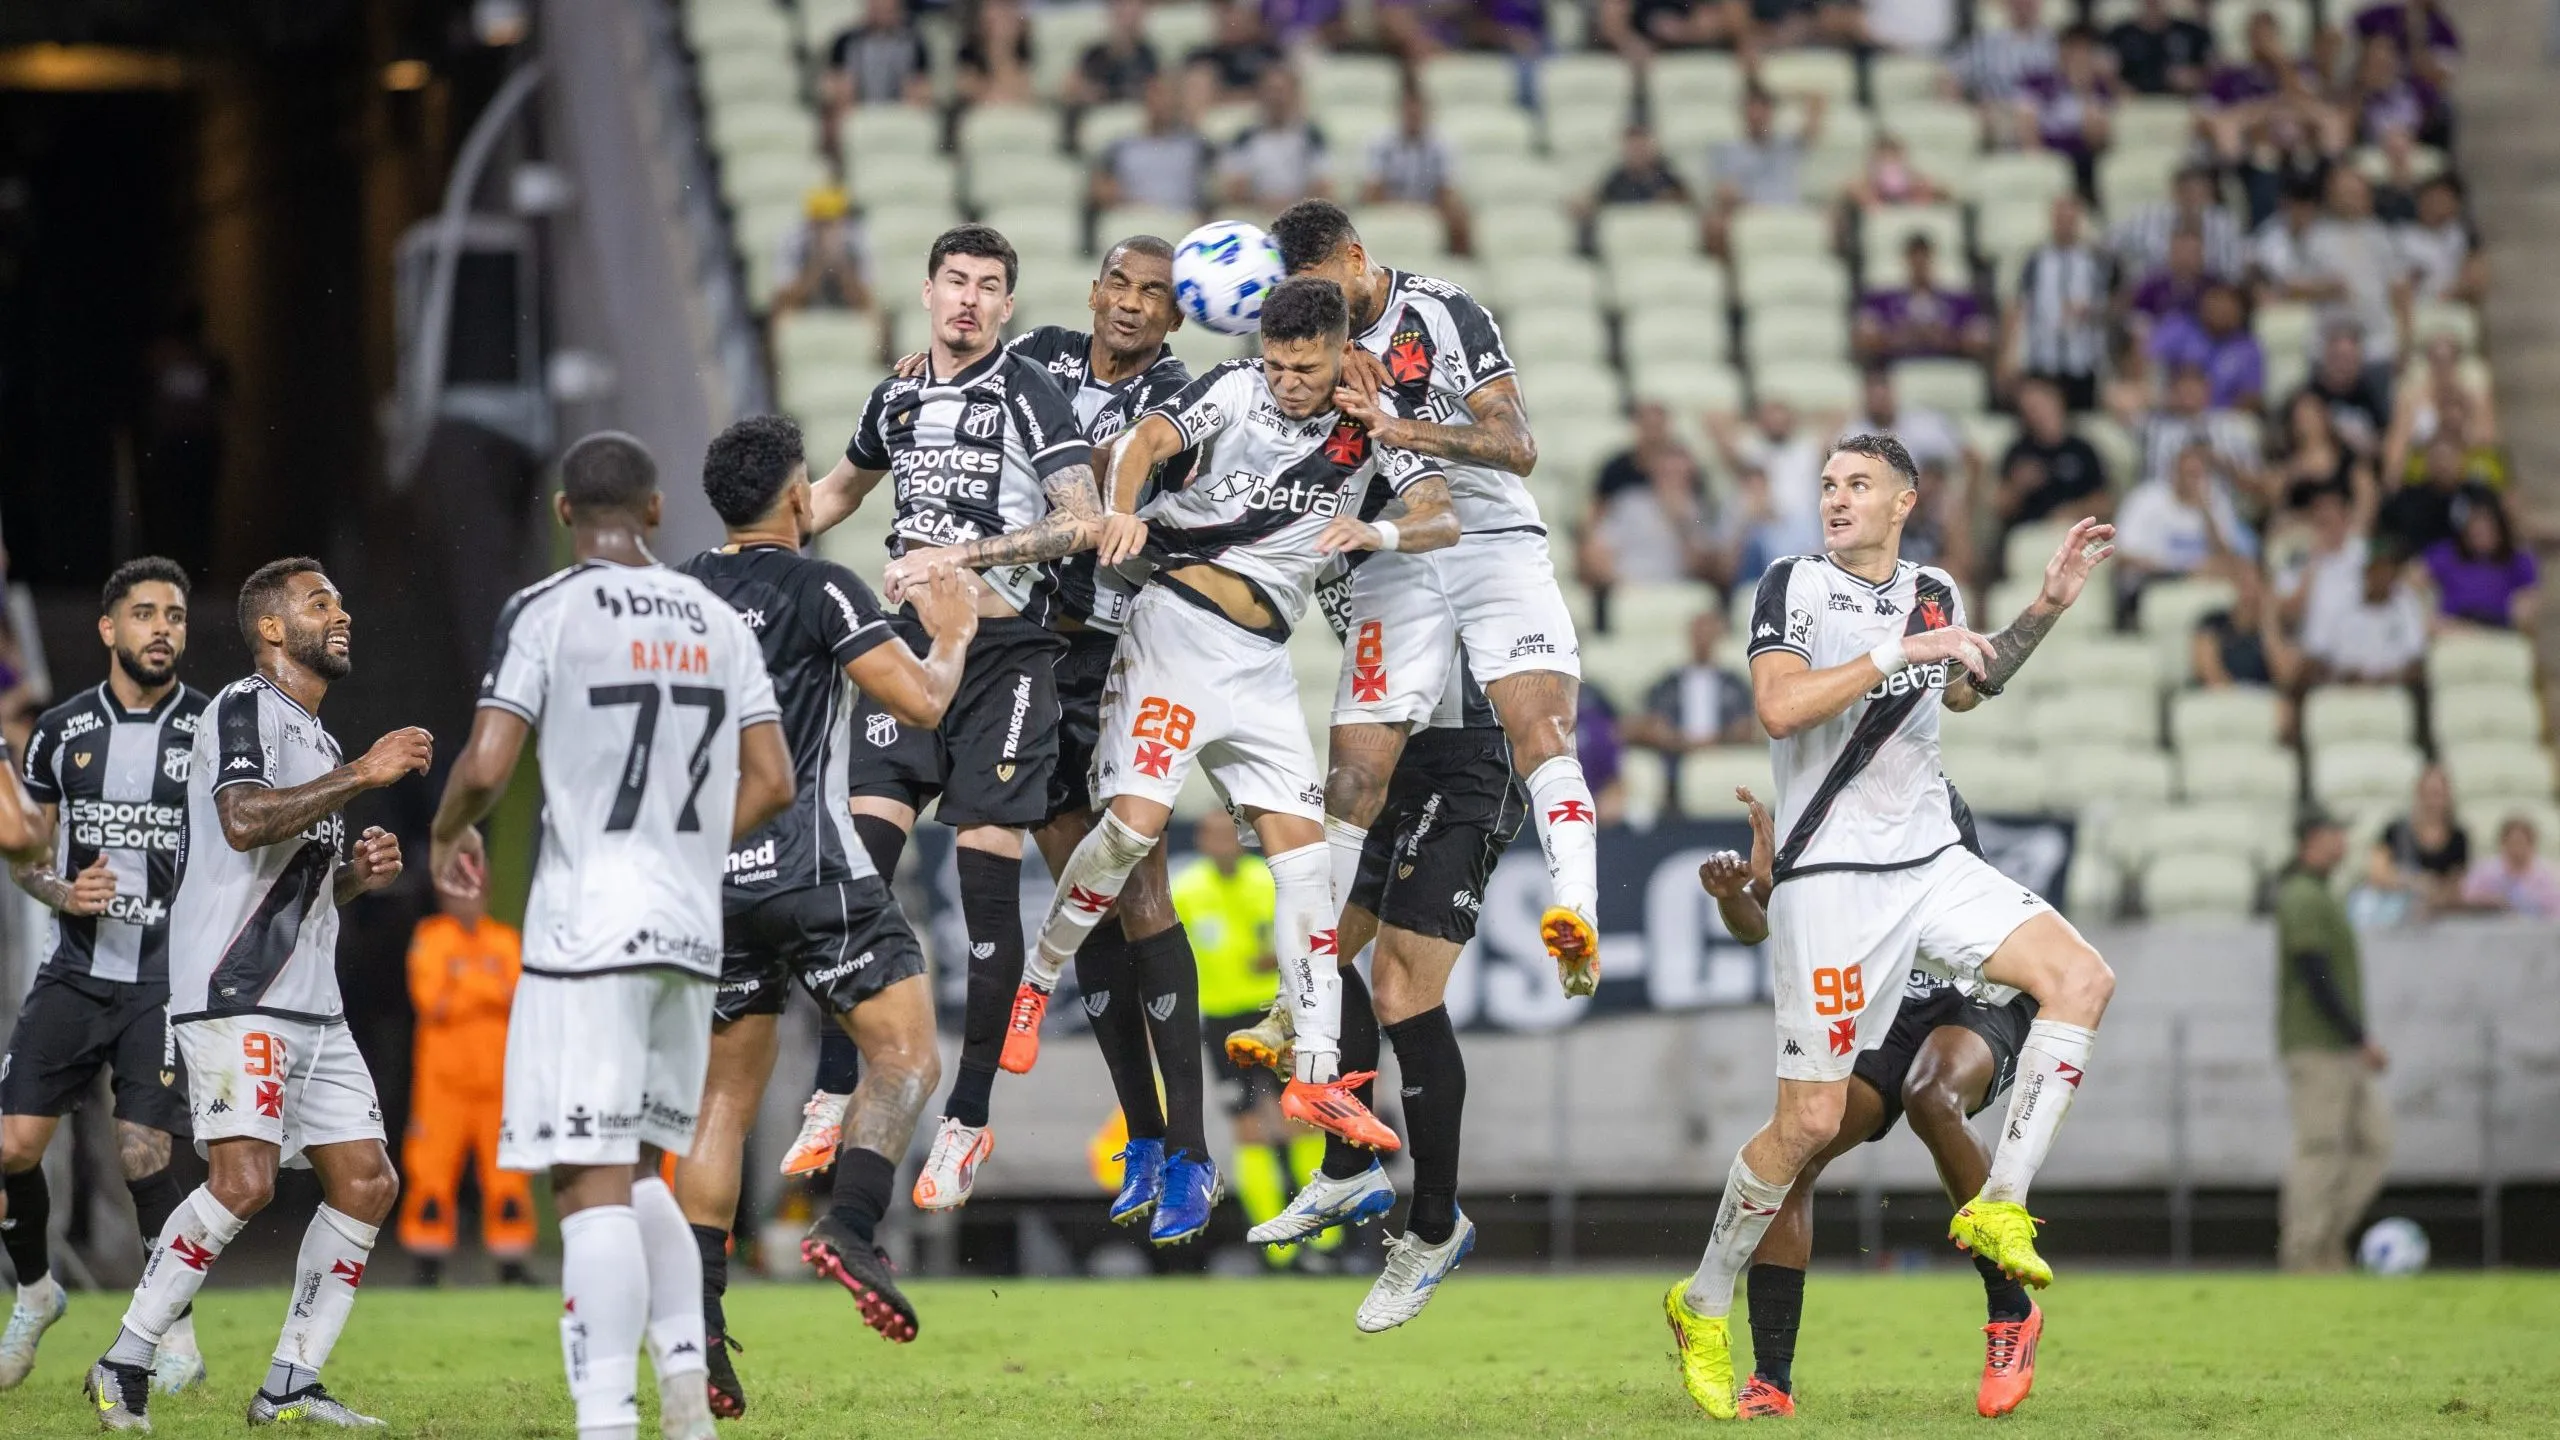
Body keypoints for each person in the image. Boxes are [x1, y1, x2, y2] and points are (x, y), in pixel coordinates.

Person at [1664, 434, 2118, 1419]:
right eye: (1827, 484)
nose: (1836, 498)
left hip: (1929, 863)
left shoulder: (1934, 589)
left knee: (2080, 978)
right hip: (1829, 882)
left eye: (1856, 485)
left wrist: (2041, 609)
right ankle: (1701, 1302)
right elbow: (1780, 709)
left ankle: (2000, 1209)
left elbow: (1969, 682)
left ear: (1903, 502)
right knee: (1809, 1128)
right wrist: (1896, 651)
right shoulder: (1793, 584)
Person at [962, 277, 1453, 1157]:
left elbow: (1439, 518)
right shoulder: (1234, 388)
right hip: (1176, 632)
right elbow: (1147, 438)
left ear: (1340, 350)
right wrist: (1118, 508)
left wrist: (1374, 536)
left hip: (1262, 665)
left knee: (1307, 865)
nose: (1287, 381)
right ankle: (1039, 978)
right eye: (1275, 362)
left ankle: (1315, 1078)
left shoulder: (1372, 417)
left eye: (1304, 366)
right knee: (1131, 830)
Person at [427, 433, 794, 1440]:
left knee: (585, 1181)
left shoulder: (546, 611)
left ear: (561, 515)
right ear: (658, 510)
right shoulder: (717, 620)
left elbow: (489, 762)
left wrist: (447, 829)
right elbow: (773, 783)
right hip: (686, 926)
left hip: (588, 929)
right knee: (639, 1171)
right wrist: (681, 854)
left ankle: (605, 1422)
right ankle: (685, 1398)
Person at [663, 416, 975, 1415]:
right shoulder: (818, 585)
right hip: (810, 867)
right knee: (908, 1058)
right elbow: (921, 702)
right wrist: (957, 625)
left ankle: (699, 1329)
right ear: (799, 498)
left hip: (708, 883)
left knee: (721, 1106)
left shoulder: (673, 597)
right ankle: (848, 1223)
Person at [84, 558, 431, 1430]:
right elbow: (243, 821)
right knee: (244, 1181)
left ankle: (289, 1382)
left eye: (343, 600)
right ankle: (124, 1358)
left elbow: (283, 879)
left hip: (311, 1001)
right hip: (237, 989)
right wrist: (366, 772)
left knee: (367, 1182)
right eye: (322, 603)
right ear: (273, 629)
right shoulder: (242, 706)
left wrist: (352, 876)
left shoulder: (313, 737)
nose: (341, 612)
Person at [805, 225, 1098, 1213]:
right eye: (954, 282)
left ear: (1007, 305)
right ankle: (834, 1088)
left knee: (981, 900)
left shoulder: (1026, 388)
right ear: (926, 292)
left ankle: (966, 1120)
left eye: (988, 286)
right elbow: (836, 494)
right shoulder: (894, 394)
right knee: (854, 877)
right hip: (905, 648)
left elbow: (1081, 517)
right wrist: (750, 537)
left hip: (1005, 658)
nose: (969, 299)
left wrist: (966, 560)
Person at [1274, 200, 1607, 994]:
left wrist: (1398, 427)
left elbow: (1517, 447)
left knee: (1542, 728)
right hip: (1396, 553)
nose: (1317, 310)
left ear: (1355, 258)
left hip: (1490, 537)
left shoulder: (1443, 313)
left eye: (1323, 287)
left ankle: (1578, 918)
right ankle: (1304, 995)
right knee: (1353, 780)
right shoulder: (1308, 340)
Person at [986, 239, 1222, 1245]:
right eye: (1118, 286)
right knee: (1080, 901)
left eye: (1153, 295)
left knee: (1141, 892)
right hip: (1034, 656)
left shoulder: (1185, 397)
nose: (1129, 306)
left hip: (1124, 656)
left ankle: (1195, 1153)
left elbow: (1131, 501)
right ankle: (1143, 1136)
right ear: (1090, 292)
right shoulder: (1033, 354)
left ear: (1176, 317)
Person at [1703, 787, 2045, 1420]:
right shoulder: (1814, 805)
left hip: (1974, 989)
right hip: (1890, 1008)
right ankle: (1771, 1381)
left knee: (1931, 1095)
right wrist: (1737, 893)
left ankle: (2011, 1311)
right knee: (1797, 1152)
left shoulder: (1923, 792)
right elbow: (1760, 923)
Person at [1224, 609, 1523, 1330]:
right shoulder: (1313, 525)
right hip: (1384, 750)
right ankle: (1347, 1169)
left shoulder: (1406, 514)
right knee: (1322, 943)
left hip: (1466, 752)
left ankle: (1432, 1227)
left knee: (1400, 991)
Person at [1, 560, 205, 1393]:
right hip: (75, 972)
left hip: (161, 980)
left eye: (178, 616)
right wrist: (62, 888)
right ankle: (38, 1293)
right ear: (108, 630)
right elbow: (28, 861)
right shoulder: (60, 730)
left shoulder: (213, 729)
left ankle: (178, 1339)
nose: (163, 628)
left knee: (144, 1154)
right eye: (146, 614)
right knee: (11, 1149)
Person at [1175, 813, 1301, 1256]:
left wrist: (1279, 957)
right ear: (1202, 839)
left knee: (1297, 1118)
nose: (1224, 842)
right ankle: (1275, 1244)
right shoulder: (1187, 890)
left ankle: (1325, 1238)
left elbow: (1299, 934)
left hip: (1272, 1013)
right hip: (1220, 1020)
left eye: (1230, 834)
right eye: (1214, 834)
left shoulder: (1264, 880)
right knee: (1247, 1125)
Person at [398, 886, 534, 1290]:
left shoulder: (505, 939)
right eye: (459, 894)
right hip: (443, 1087)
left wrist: (462, 979)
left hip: (499, 1083)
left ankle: (512, 1267)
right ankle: (427, 1268)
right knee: (431, 1175)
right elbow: (431, 1001)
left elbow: (521, 997)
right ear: (446, 898)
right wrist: (489, 984)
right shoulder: (431, 936)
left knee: (508, 1177)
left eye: (475, 893)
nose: (467, 902)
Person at [2274, 809, 2392, 1273]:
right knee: (2320, 1148)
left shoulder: (2324, 894)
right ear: (2313, 840)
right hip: (2317, 1044)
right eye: (2335, 835)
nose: (2343, 844)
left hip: (2339, 1046)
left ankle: (2326, 1242)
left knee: (2373, 1144)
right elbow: (2313, 970)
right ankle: (2304, 1254)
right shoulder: (2302, 894)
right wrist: (2358, 1035)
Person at [1580, 401, 1719, 592]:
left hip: (1678, 590)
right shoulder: (1628, 501)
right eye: (1668, 474)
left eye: (1681, 476)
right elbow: (1598, 549)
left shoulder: (1697, 511)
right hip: (1631, 588)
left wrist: (1683, 524)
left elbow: (1706, 569)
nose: (1674, 481)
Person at [2002, 195, 2113, 411]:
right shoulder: (2034, 259)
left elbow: (2112, 308)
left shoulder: (2096, 261)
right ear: (2051, 219)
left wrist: (2092, 311)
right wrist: (2009, 355)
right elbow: (2017, 306)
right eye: (2060, 218)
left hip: (2082, 361)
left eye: (2070, 218)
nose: (2065, 224)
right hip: (2042, 360)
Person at [1621, 610, 1759, 778]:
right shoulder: (1668, 684)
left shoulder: (1734, 685)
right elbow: (1652, 723)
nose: (1702, 638)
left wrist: (1718, 740)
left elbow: (1746, 726)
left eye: (1708, 632)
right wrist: (1677, 740)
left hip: (1725, 755)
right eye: (1698, 632)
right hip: (1675, 757)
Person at [1705, 87, 1824, 255]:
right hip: (1750, 216)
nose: (1757, 116)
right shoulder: (1727, 150)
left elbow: (1817, 100)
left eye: (1763, 109)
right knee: (1715, 223)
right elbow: (1723, 193)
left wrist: (1783, 96)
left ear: (1771, 113)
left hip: (1789, 214)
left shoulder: (1789, 144)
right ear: (1743, 114)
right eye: (1752, 110)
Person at [1995, 376, 2111, 537]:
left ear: (2058, 401)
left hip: (2073, 530)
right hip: (2029, 534)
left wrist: (2072, 512)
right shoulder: (2018, 451)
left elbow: (2104, 503)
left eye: (2041, 404)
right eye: (2029, 408)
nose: (2037, 413)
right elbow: (1999, 508)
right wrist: (2018, 487)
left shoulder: (2082, 449)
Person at [1363, 87, 1470, 257]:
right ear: (1399, 112)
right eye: (1408, 110)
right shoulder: (1381, 144)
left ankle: (1457, 265)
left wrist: (1429, 212)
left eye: (1418, 111)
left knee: (1460, 216)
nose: (1413, 115)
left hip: (1430, 210)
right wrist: (1402, 210)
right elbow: (1371, 192)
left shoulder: (1441, 145)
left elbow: (1448, 192)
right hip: (1390, 209)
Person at [1853, 233, 1990, 365]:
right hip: (1896, 368)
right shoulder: (1880, 301)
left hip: (1948, 367)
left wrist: (1948, 338)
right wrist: (1899, 337)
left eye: (1924, 259)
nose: (1919, 265)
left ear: (1933, 260)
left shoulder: (1961, 302)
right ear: (1906, 260)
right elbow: (1863, 340)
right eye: (1915, 259)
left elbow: (1981, 342)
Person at [2359, 762, 2468, 917]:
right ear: (2419, 793)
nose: (2434, 801)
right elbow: (2377, 874)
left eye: (2439, 794)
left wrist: (2435, 895)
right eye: (2429, 793)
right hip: (2395, 912)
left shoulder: (2458, 837)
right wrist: (2414, 882)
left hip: (2435, 914)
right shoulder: (2395, 830)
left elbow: (2455, 884)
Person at [1092, 76, 1212, 214]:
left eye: (1168, 97)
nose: (1161, 103)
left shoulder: (1195, 145)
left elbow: (1217, 186)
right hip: (1135, 217)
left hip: (1181, 219)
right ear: (1145, 101)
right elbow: (1100, 187)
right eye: (1156, 96)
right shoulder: (1121, 146)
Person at [1219, 67, 1330, 209]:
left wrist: (1291, 206)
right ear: (1260, 95)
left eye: (1282, 91)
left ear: (1295, 95)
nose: (1276, 98)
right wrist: (1266, 203)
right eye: (1270, 90)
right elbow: (1234, 189)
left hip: (1299, 213)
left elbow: (1323, 186)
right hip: (1256, 212)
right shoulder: (1244, 137)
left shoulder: (1312, 136)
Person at [2422, 496, 2537, 631]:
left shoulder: (2518, 559)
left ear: (2500, 531)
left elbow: (2530, 596)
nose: (2479, 533)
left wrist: (2523, 612)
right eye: (2474, 530)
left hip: (2498, 630)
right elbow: (2412, 577)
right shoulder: (2448, 554)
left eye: (2486, 529)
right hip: (2454, 628)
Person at [2148, 282, 2265, 412]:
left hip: (2223, 420)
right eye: (2216, 300)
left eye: (2228, 303)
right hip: (2171, 411)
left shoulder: (2249, 349)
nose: (2221, 309)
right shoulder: (2178, 329)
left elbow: (2251, 397)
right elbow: (2149, 365)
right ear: (2202, 303)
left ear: (2240, 311)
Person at [771, 185, 874, 318]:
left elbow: (865, 299)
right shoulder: (793, 240)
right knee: (779, 310)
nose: (825, 230)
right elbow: (786, 298)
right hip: (805, 311)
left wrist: (841, 266)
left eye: (831, 221)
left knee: (874, 312)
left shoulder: (858, 239)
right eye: (821, 222)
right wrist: (817, 264)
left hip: (847, 310)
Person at [822, 0, 931, 118]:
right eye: (876, 5)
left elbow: (922, 82)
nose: (881, 8)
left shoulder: (915, 42)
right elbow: (833, 81)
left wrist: (917, 94)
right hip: (856, 111)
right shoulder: (845, 41)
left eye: (887, 6)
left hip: (901, 112)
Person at [2395, 174, 2483, 304]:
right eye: (2433, 199)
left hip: (2453, 303)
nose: (2438, 204)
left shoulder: (2461, 234)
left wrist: (2455, 292)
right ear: (2421, 201)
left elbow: (2476, 278)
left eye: (2446, 199)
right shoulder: (2402, 236)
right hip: (2416, 306)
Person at [1183, 0, 1282, 108]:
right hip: (1214, 110)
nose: (1233, 26)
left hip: (1260, 108)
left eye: (1238, 22)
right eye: (1228, 23)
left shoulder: (1268, 52)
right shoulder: (1204, 55)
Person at [2458, 816, 2560, 919]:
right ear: (2503, 843)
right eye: (2513, 842)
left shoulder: (2547, 875)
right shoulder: (2485, 871)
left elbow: (2555, 910)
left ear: (2531, 843)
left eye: (2521, 842)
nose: (2517, 848)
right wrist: (2489, 901)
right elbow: (2466, 898)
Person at [2106, 0, 2213, 97]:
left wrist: (2195, 77)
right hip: (2131, 103)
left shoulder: (2192, 33)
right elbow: (2102, 73)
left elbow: (2213, 72)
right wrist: (2114, 83)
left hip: (2180, 101)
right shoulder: (2118, 35)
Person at [1066, 0, 1158, 107]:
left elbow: (1155, 89)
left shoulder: (1149, 55)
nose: (1128, 17)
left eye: (1135, 10)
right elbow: (1071, 89)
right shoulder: (1094, 55)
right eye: (1122, 8)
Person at [954, 0, 1034, 108]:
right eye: (993, 10)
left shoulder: (1029, 70)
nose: (998, 18)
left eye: (1004, 11)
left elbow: (1023, 88)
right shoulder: (966, 69)